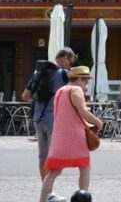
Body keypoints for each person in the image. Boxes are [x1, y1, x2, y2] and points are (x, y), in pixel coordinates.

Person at [38, 66, 103, 202]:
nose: (86, 86)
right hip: (75, 135)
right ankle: (84, 197)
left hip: (59, 136)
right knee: (84, 167)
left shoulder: (60, 91)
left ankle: (42, 200)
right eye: (85, 82)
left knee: (54, 171)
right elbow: (83, 112)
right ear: (79, 79)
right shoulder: (76, 89)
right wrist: (98, 122)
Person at [22, 47, 77, 202]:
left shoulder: (38, 73)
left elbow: (25, 95)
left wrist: (41, 96)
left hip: (37, 119)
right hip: (54, 120)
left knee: (43, 156)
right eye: (71, 61)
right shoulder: (63, 74)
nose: (70, 65)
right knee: (56, 159)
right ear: (65, 58)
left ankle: (47, 193)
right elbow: (76, 94)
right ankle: (47, 195)